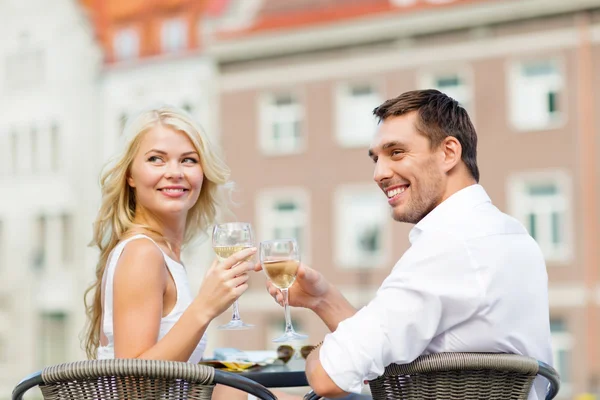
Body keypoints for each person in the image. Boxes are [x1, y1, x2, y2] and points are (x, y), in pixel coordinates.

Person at [263, 90, 553, 400]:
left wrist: (319, 351)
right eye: (376, 159)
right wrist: (323, 299)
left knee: (245, 395)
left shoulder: (449, 246)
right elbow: (391, 349)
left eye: (397, 152)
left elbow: (327, 377)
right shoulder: (509, 234)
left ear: (448, 153)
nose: (379, 173)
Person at [83, 106, 256, 399]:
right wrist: (205, 307)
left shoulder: (164, 252)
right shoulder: (143, 254)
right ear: (130, 176)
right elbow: (135, 388)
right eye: (156, 159)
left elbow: (174, 376)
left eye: (188, 160)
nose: (174, 173)